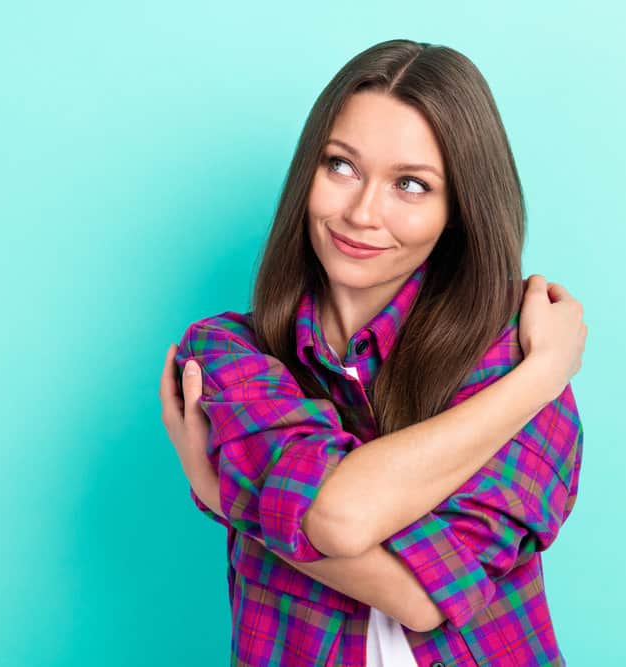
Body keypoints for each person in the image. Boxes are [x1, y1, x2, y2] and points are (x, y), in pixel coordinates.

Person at [158, 38, 587, 667]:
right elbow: (337, 519)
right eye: (341, 166)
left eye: (411, 184)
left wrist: (231, 496)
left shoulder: (505, 359)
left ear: (457, 212)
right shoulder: (227, 355)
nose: (362, 213)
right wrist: (545, 375)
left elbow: (422, 595)